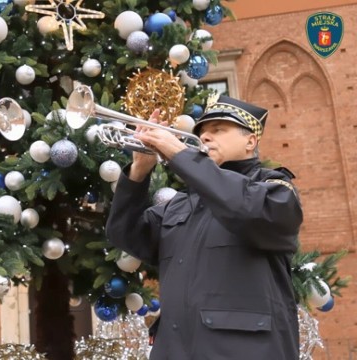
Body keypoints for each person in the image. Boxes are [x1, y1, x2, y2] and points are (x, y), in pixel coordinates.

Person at [106, 94, 303, 359]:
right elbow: (124, 233)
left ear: (250, 141)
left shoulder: (273, 188)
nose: (206, 137)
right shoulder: (180, 204)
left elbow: (245, 208)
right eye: (202, 132)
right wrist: (139, 171)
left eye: (218, 130)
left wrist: (180, 155)